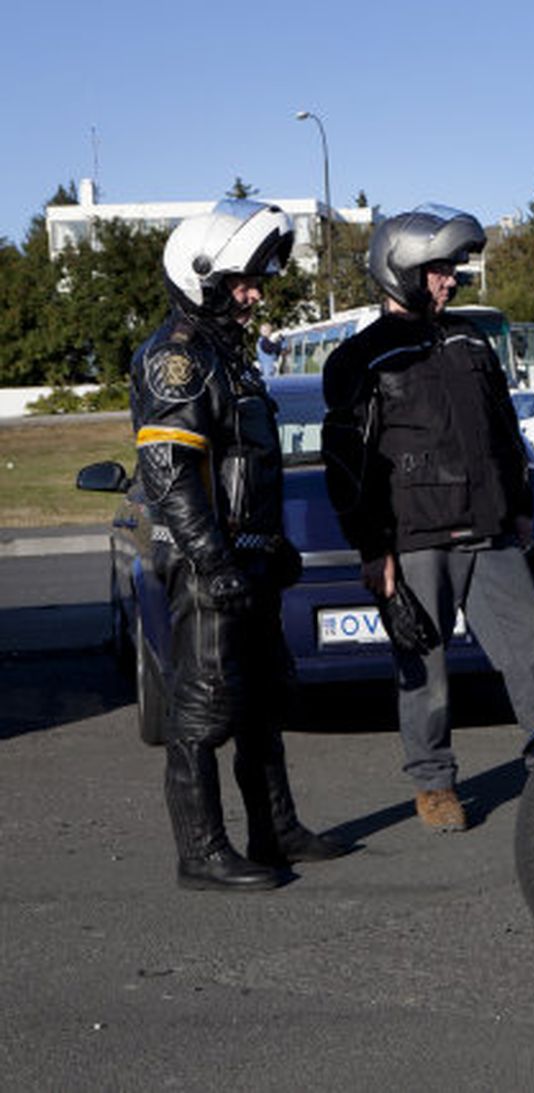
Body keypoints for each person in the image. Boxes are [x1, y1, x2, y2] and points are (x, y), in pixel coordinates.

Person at [321, 204, 534, 832]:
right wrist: (372, 549)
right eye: (437, 270)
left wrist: (519, 509)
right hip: (412, 536)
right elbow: (349, 469)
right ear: (398, 270)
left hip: (489, 530)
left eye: (452, 268)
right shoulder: (360, 359)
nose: (451, 279)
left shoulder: (470, 341)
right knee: (423, 671)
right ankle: (433, 784)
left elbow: (505, 434)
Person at [131, 199, 348, 890]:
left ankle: (274, 828)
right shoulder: (176, 358)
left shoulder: (228, 355)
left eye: (256, 281)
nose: (254, 293)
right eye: (242, 281)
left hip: (245, 555)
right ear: (202, 277)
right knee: (203, 705)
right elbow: (168, 473)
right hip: (208, 564)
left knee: (261, 699)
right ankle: (200, 851)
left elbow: (246, 466)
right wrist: (214, 558)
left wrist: (268, 544)